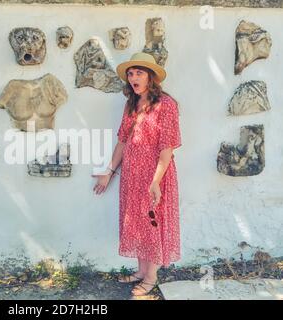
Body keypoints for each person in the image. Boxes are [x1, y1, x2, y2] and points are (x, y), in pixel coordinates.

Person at [92, 52, 182, 297]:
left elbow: (166, 149)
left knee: (152, 223)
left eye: (139, 72)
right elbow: (123, 140)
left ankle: (151, 277)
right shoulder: (131, 104)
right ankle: (141, 271)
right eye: (130, 73)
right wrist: (109, 171)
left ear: (151, 77)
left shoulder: (166, 105)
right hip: (132, 175)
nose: (133, 77)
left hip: (155, 175)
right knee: (138, 223)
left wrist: (155, 181)